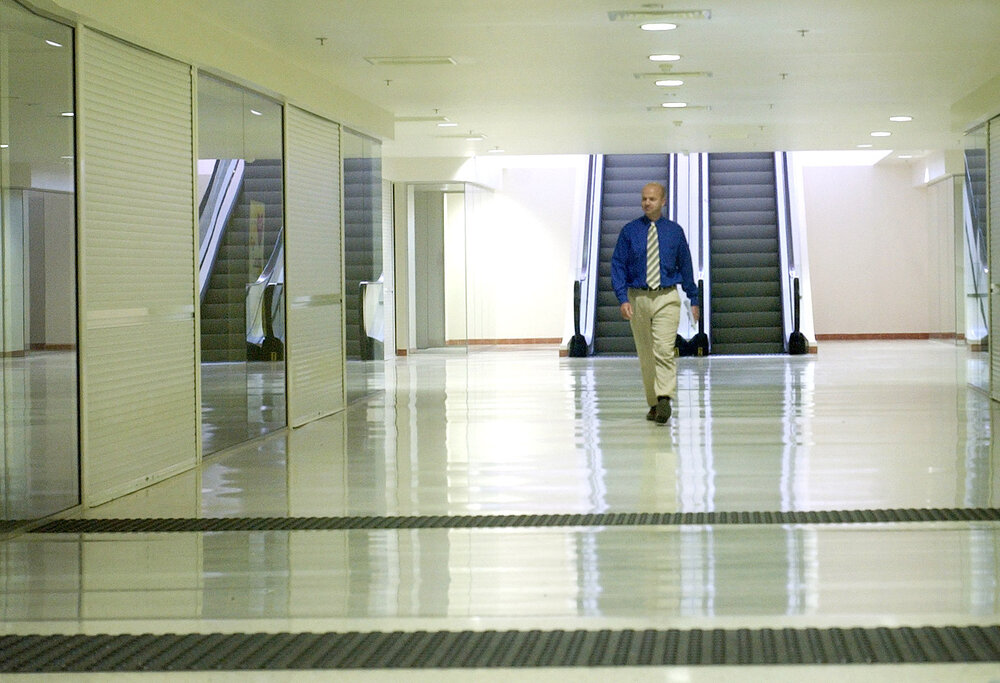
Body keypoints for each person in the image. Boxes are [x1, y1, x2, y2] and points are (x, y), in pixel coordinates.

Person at [610, 182, 700, 424]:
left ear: (663, 201)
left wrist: (693, 298)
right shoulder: (629, 232)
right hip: (637, 297)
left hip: (667, 296)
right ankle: (654, 403)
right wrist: (622, 298)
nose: (646, 202)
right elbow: (617, 265)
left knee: (663, 349)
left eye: (651, 199)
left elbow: (686, 265)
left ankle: (664, 398)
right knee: (646, 354)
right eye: (643, 199)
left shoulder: (674, 232)